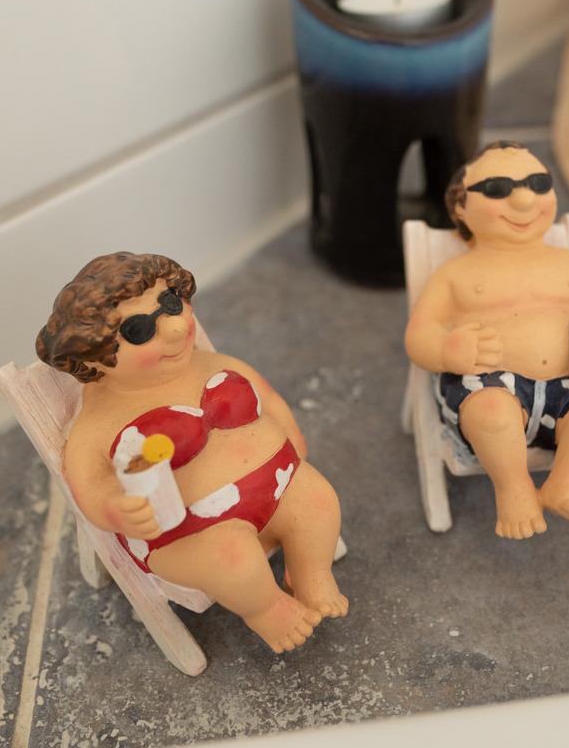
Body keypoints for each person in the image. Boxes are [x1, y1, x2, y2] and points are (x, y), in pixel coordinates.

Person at [38, 252, 347, 653]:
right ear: (94, 358)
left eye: (170, 303)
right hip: (190, 531)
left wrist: (292, 436)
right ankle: (266, 609)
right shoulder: (96, 423)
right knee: (234, 559)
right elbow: (89, 484)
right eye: (138, 330)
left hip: (278, 482)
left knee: (319, 503)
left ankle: (310, 573)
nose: (174, 327)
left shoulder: (211, 362)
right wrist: (116, 509)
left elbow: (267, 398)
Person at [404, 142, 569, 538]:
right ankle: (513, 489)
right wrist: (449, 349)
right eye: (498, 188)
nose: (523, 199)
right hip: (488, 386)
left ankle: (566, 484)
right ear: (461, 206)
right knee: (492, 413)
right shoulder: (456, 274)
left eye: (538, 183)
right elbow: (420, 335)